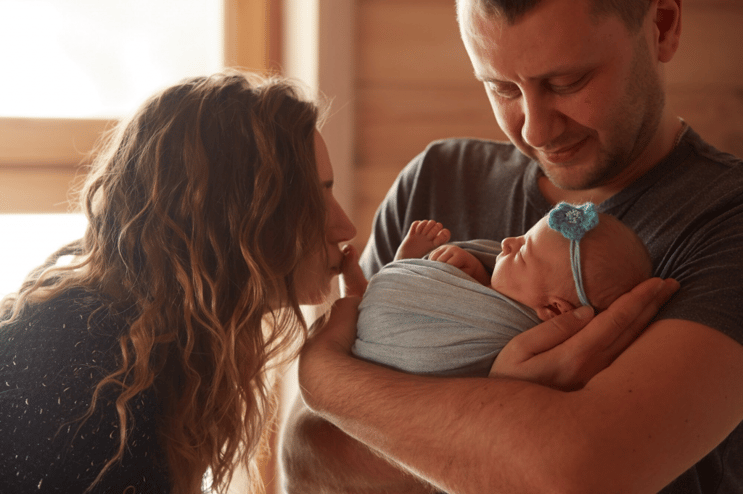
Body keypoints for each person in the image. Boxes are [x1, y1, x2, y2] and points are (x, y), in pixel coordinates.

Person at [281, 0, 743, 492]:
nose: (535, 129)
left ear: (663, 26)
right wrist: (511, 411)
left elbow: (572, 477)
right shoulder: (438, 180)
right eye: (502, 88)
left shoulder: (724, 223)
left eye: (568, 83)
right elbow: (308, 454)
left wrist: (324, 377)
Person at [0, 71, 357, 493]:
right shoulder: (93, 374)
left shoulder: (153, 345)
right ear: (236, 216)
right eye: (316, 199)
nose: (344, 226)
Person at [353, 203, 653, 377]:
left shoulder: (524, 337)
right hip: (392, 315)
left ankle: (405, 266)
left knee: (390, 294)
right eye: (523, 236)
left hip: (399, 351)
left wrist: (443, 277)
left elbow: (472, 336)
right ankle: (408, 270)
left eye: (522, 251)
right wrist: (472, 273)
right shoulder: (520, 292)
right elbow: (484, 295)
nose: (508, 241)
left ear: (554, 310)